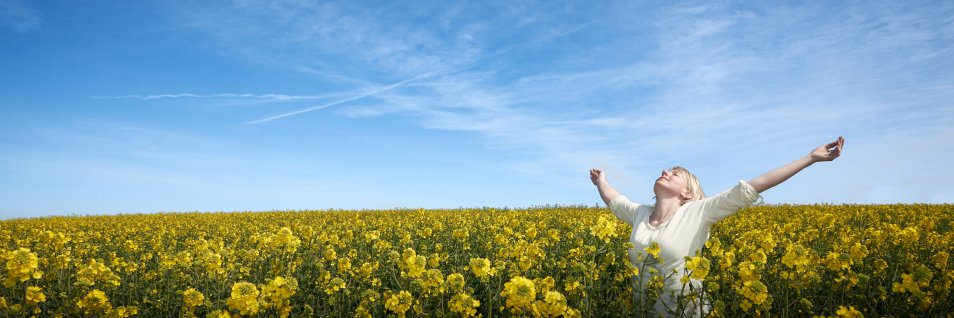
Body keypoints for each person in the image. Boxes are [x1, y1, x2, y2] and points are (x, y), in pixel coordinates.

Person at [589, 136, 845, 317]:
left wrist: (810, 158)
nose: (665, 171)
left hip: (687, 314)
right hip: (642, 312)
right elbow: (614, 198)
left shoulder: (697, 212)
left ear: (687, 193)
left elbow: (754, 186)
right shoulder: (639, 214)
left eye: (674, 174)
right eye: (666, 170)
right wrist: (601, 180)